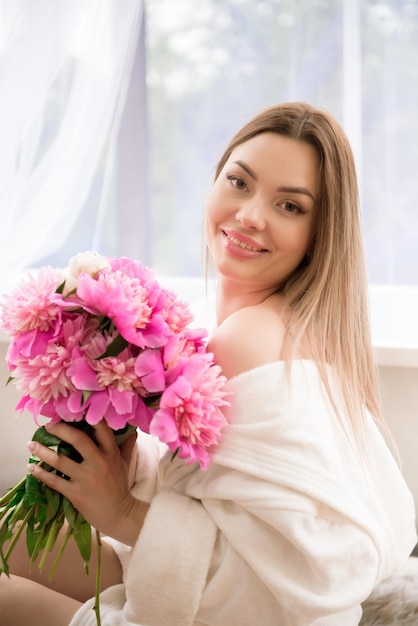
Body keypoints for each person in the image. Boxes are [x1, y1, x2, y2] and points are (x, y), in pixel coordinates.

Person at [0, 102, 416, 626]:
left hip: (241, 610)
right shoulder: (257, 323)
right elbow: (214, 497)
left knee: (7, 596)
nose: (249, 215)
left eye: (290, 206)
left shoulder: (249, 338)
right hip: (197, 584)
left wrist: (123, 514)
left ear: (320, 234)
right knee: (12, 542)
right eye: (239, 182)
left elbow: (287, 583)